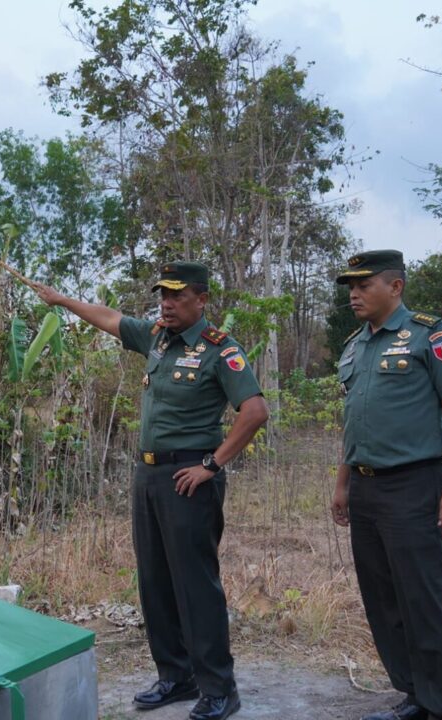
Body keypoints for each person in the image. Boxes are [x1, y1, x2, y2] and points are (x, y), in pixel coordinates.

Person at [36, 261, 268, 720]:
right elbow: (108, 318)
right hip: (148, 477)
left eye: (177, 296)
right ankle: (175, 676)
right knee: (156, 582)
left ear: (201, 300)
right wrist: (63, 301)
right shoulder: (157, 337)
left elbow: (255, 411)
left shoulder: (219, 350)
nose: (166, 302)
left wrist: (212, 465)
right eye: (163, 294)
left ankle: (220, 688)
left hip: (189, 478)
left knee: (195, 586)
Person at [329, 250, 442, 720]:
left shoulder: (430, 334)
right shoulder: (355, 346)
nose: (354, 293)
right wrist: (343, 483)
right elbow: (353, 421)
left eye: (364, 284)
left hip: (416, 484)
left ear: (396, 287)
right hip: (366, 490)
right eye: (350, 286)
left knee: (426, 598)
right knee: (384, 598)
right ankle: (415, 694)